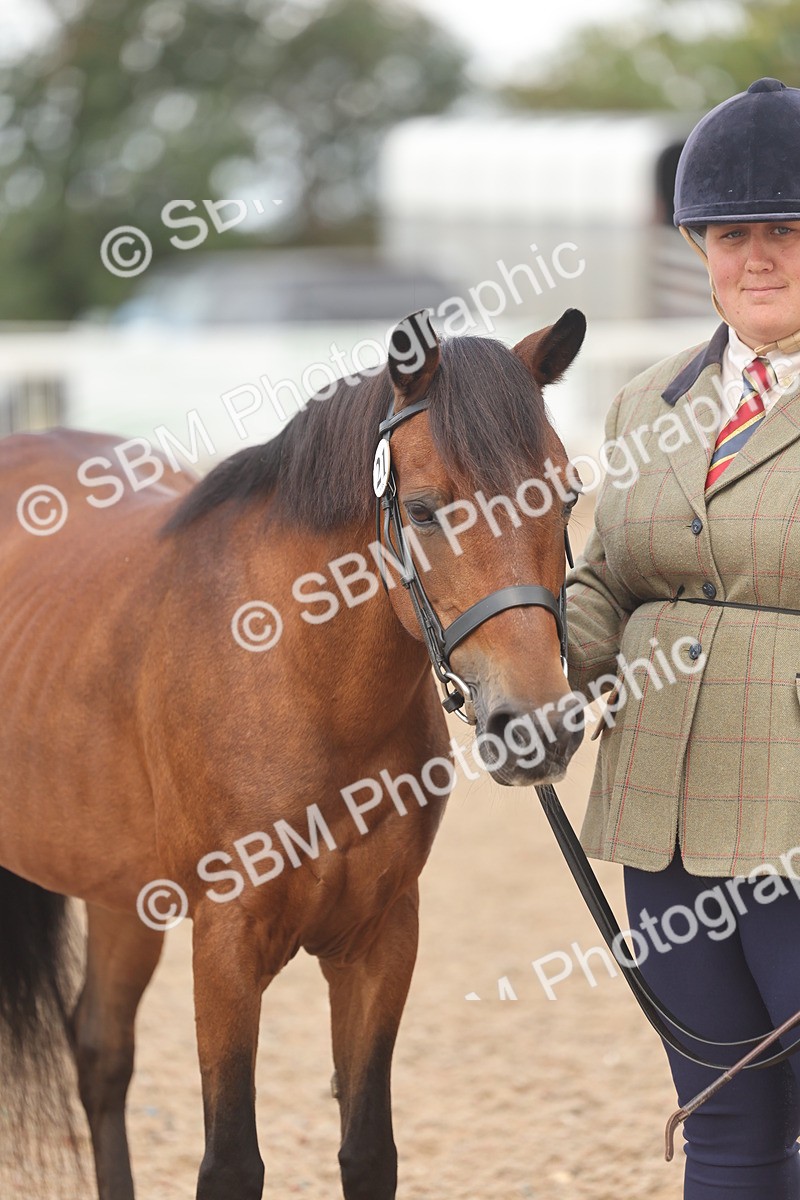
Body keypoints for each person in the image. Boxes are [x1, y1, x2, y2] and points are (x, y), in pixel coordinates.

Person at [565, 77, 800, 1199]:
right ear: (697, 246)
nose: (758, 256)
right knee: (722, 1123)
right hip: (660, 820)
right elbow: (607, 573)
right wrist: (529, 663)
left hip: (792, 813)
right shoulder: (645, 404)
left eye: (788, 230)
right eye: (731, 232)